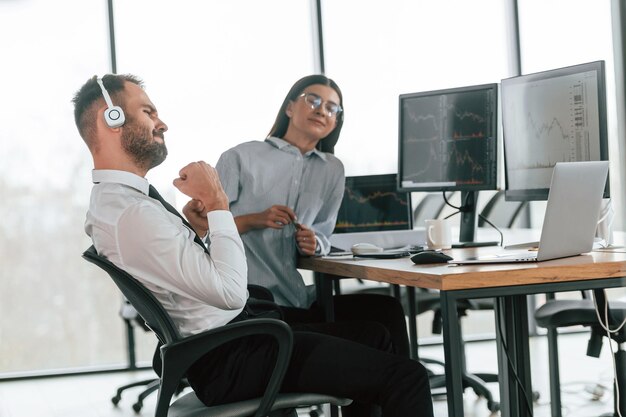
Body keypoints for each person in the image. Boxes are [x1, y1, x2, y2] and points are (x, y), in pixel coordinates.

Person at [73, 73, 433, 416]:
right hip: (232, 352)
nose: (162, 123)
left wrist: (205, 223)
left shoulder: (125, 204)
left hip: (234, 338)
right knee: (408, 378)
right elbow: (230, 293)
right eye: (148, 112)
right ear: (113, 117)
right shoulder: (132, 212)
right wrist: (216, 203)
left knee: (374, 332)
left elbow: (184, 272)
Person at [216, 75, 411, 357]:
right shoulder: (240, 157)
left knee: (387, 309)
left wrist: (313, 242)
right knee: (370, 337)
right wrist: (256, 219)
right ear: (290, 108)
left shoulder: (332, 169)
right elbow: (205, 231)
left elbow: (324, 232)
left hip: (294, 298)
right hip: (251, 304)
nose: (322, 110)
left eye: (332, 108)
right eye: (313, 101)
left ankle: (394, 393)